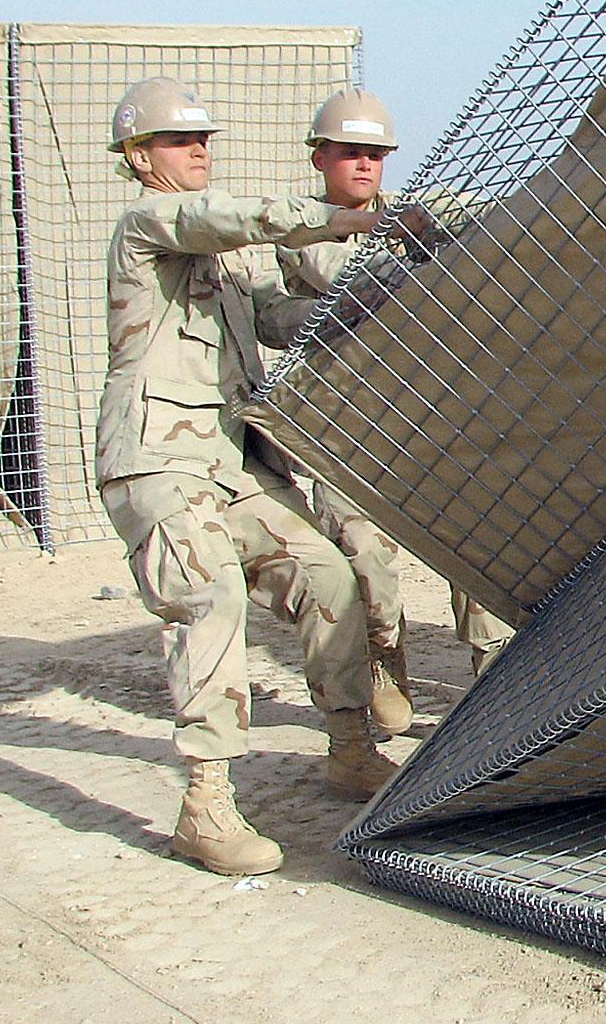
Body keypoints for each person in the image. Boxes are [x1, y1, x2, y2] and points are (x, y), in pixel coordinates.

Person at [97, 77, 405, 877]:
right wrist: (337, 219)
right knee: (211, 596)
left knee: (329, 576)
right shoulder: (150, 224)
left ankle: (349, 751)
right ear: (139, 157)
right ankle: (204, 806)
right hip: (158, 461)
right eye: (177, 140)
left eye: (203, 139)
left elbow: (278, 319)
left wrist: (374, 299)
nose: (198, 150)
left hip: (230, 461)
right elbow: (219, 217)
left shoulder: (228, 259)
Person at [276, 89, 515, 697]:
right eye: (350, 153)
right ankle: (385, 659)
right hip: (346, 425)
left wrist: (435, 222)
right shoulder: (298, 231)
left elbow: (489, 220)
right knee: (365, 565)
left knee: (481, 546)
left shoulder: (408, 215)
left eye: (375, 155)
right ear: (319, 159)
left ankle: (498, 681)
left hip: (426, 416)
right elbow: (347, 282)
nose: (364, 165)